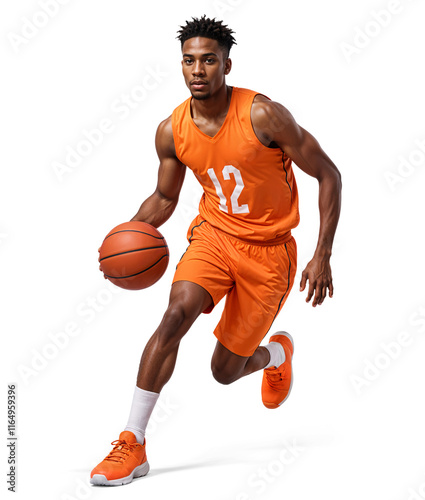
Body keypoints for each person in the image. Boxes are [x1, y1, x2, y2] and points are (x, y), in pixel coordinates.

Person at [90, 15, 342, 486]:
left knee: (224, 371)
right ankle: (132, 441)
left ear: (227, 64)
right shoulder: (172, 130)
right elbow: (165, 198)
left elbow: (329, 174)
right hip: (213, 236)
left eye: (208, 60)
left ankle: (276, 355)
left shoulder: (264, 115)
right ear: (181, 66)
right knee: (175, 314)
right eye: (189, 61)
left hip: (268, 253)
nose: (197, 70)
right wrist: (126, 235)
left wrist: (321, 253)